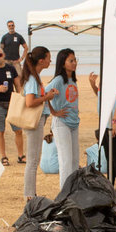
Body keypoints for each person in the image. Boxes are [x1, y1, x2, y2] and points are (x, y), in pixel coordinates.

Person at [88, 68, 116, 203]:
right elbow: (101, 96)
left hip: (114, 122)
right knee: (108, 156)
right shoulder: (107, 71)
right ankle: (111, 188)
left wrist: (115, 120)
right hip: (105, 122)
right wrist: (93, 84)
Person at [20, 46, 56, 199]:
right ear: (41, 60)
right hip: (35, 121)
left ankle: (30, 193)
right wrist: (46, 98)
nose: (50, 61)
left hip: (39, 119)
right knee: (33, 160)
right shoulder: (33, 79)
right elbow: (30, 102)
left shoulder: (35, 77)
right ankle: (29, 195)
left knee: (33, 159)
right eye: (48, 58)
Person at [46, 48, 81, 188]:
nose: (74, 63)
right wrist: (54, 112)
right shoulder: (59, 80)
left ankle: (73, 190)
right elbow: (43, 93)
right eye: (71, 61)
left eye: (75, 60)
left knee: (74, 160)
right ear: (62, 63)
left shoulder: (73, 80)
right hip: (61, 123)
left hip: (74, 123)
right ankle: (64, 193)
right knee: (65, 160)